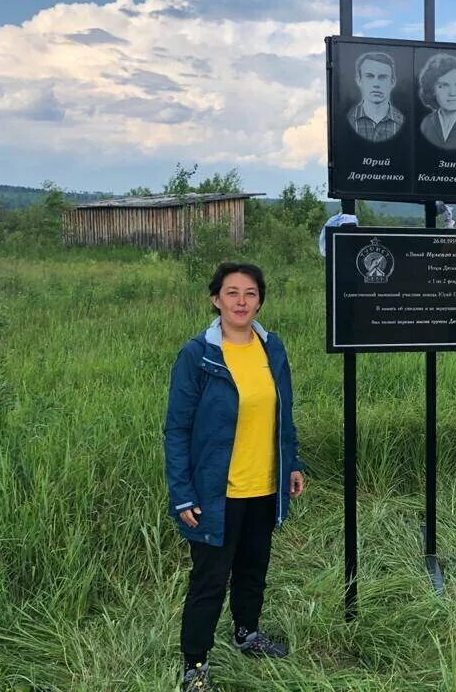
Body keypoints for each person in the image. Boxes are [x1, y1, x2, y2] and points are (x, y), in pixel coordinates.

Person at [164, 262, 305, 692]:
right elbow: (177, 429)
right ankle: (195, 664)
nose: (241, 301)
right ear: (215, 299)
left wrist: (292, 462)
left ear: (259, 300)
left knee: (253, 567)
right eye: (231, 293)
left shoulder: (271, 348)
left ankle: (247, 633)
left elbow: (284, 414)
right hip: (215, 492)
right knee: (209, 579)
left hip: (264, 486)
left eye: (249, 293)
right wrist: (183, 494)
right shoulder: (199, 355)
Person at [347, 51, 404, 142]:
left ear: (392, 82)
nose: (376, 84)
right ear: (359, 80)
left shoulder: (402, 122)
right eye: (369, 76)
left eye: (382, 77)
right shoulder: (349, 120)